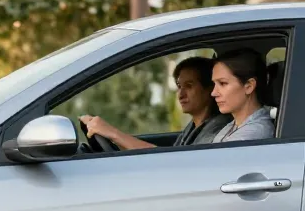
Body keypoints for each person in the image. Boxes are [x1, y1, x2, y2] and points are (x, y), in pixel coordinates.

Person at [78, 56, 230, 150]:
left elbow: (171, 162)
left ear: (209, 89)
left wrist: (112, 133)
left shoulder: (216, 129)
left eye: (189, 86)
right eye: (179, 86)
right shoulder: (195, 126)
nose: (181, 94)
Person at [208, 47, 275, 143]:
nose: (213, 93)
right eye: (214, 84)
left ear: (249, 86)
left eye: (223, 83)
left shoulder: (253, 134)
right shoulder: (233, 126)